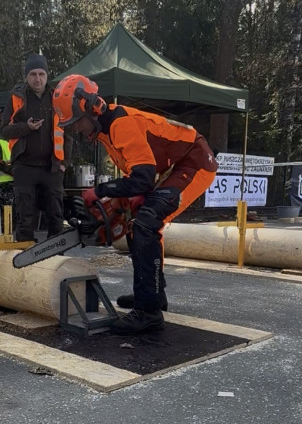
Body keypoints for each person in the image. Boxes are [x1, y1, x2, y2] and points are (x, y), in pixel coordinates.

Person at [53, 74, 218, 334]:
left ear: (90, 108)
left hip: (193, 161)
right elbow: (138, 175)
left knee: (146, 223)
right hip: (170, 167)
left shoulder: (121, 124)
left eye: (76, 122)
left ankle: (149, 311)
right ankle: (152, 294)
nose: (75, 129)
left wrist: (99, 191)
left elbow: (141, 178)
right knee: (135, 223)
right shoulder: (106, 131)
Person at [0, 54, 72, 241]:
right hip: (24, 166)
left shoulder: (57, 97)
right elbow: (4, 130)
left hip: (52, 167)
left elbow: (68, 132)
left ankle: (56, 258)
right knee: (25, 216)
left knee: (56, 215)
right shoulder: (17, 98)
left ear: (47, 75)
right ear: (26, 76)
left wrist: (64, 163)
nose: (37, 78)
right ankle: (26, 257)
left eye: (41, 74)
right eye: (32, 74)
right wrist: (26, 128)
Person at [0, 135, 14, 232]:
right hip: (4, 182)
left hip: (18, 181)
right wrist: (14, 171)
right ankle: (7, 235)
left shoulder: (16, 140)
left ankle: (19, 236)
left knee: (19, 211)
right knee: (7, 211)